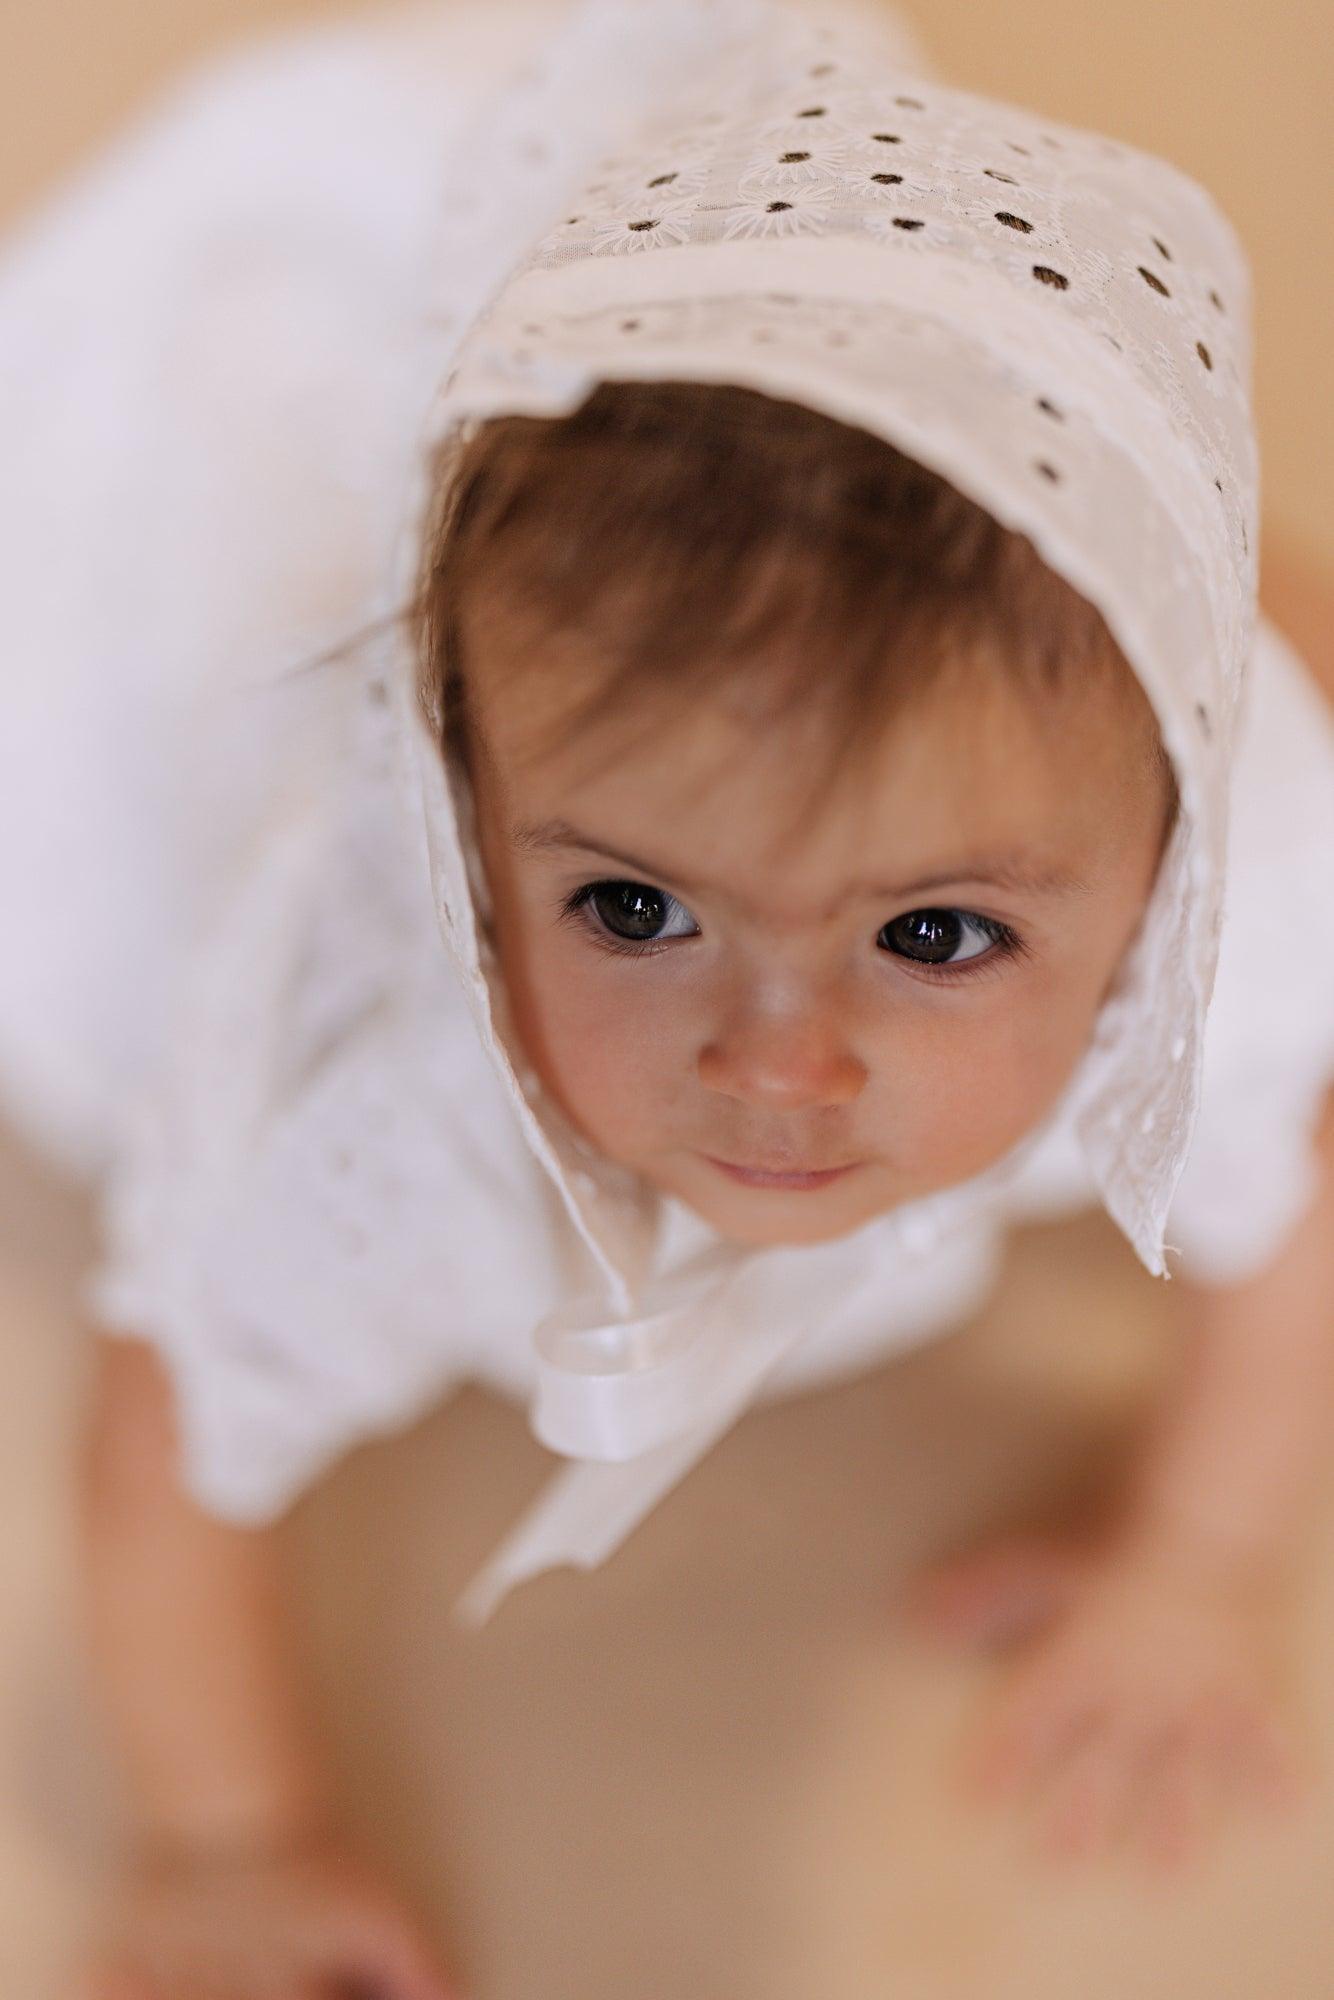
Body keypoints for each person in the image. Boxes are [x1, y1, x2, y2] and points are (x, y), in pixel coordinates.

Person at [1, 0, 1331, 1991]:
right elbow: (167, 1447)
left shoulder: (1203, 926)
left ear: (1153, 890)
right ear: (465, 831)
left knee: (1100, 631)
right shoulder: (376, 1110)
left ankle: (1206, 568)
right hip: (299, 394)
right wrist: (227, 1837)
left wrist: (1199, 1561)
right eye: (632, 908)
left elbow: (1288, 1216)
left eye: (932, 937)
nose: (776, 1064)